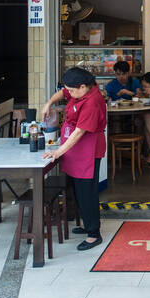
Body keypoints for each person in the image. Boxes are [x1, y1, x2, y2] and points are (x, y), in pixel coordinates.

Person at [41, 67, 107, 251]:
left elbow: (79, 132)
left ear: (83, 87)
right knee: (77, 189)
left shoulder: (92, 102)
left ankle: (94, 234)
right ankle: (86, 224)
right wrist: (48, 103)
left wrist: (57, 152)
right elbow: (61, 93)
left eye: (72, 91)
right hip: (75, 149)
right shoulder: (79, 92)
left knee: (87, 192)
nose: (68, 94)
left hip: (88, 148)